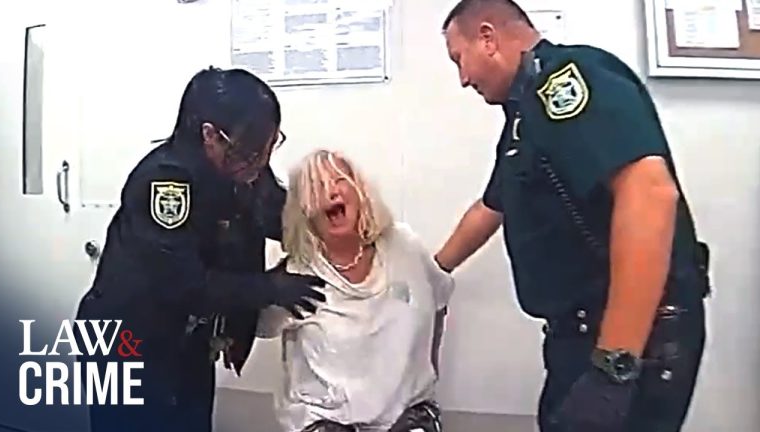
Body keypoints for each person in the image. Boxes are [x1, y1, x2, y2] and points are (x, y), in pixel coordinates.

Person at [435, 1, 711, 431]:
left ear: (487, 37)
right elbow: (490, 208)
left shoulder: (565, 80)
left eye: (459, 59)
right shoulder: (524, 117)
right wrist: (427, 272)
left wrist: (614, 367)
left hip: (629, 339)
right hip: (581, 336)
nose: (463, 78)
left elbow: (651, 194)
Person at [74, 67, 326, 432]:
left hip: (186, 342)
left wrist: (327, 228)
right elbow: (186, 287)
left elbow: (276, 215)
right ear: (211, 136)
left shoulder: (244, 161)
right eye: (254, 153)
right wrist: (271, 288)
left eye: (269, 148)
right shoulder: (166, 182)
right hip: (126, 344)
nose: (261, 163)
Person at [256, 150, 452, 432]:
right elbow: (258, 325)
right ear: (304, 212)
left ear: (359, 190)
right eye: (317, 189)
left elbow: (438, 301)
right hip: (324, 421)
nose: (331, 193)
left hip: (407, 419)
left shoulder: (404, 246)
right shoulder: (297, 276)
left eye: (339, 180)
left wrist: (426, 375)